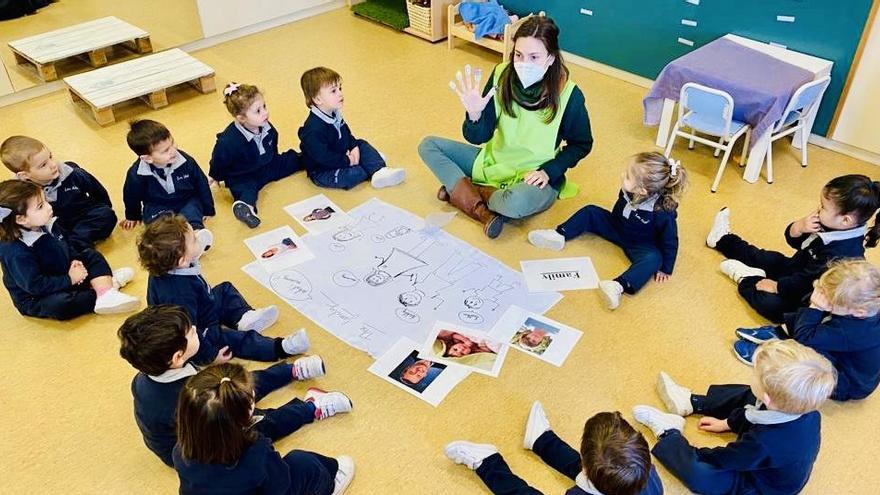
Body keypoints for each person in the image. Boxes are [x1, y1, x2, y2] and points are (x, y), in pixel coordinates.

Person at [418, 16, 593, 238]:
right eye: (518, 55)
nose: (524, 63)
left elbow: (582, 144)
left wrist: (550, 171)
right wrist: (475, 114)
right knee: (428, 145)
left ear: (550, 58)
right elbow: (478, 137)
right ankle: (480, 205)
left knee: (512, 205)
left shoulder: (570, 95)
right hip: (493, 162)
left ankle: (463, 192)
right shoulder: (501, 74)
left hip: (534, 176)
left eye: (534, 57)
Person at [117, 305, 332, 466]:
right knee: (262, 423)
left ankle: (289, 371)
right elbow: (229, 424)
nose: (194, 328)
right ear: (177, 357)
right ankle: (310, 408)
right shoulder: (188, 398)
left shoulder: (149, 374)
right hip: (201, 447)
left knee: (238, 381)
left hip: (194, 424)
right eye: (190, 332)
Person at [634, 340, 836, 495]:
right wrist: (727, 423)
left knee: (701, 474)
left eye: (754, 374)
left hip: (759, 486)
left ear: (768, 399)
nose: (752, 376)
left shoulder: (764, 443)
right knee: (748, 395)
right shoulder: (807, 411)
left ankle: (669, 432)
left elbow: (730, 458)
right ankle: (693, 402)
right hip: (767, 446)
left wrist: (700, 453)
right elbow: (754, 411)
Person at [706, 174, 879, 323]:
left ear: (846, 220)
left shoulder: (842, 255)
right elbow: (798, 244)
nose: (818, 210)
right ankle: (721, 239)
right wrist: (799, 227)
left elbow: (805, 282)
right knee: (767, 257)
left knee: (769, 304)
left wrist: (776, 287)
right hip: (793, 269)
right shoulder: (834, 225)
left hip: (802, 296)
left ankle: (747, 277)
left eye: (823, 208)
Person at [138, 214, 306, 365]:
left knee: (225, 289)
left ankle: (244, 318)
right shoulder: (179, 294)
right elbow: (187, 333)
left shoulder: (168, 267)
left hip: (203, 306)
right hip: (200, 329)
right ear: (181, 260)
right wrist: (210, 356)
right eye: (194, 240)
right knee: (234, 339)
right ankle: (280, 347)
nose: (198, 237)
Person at [530, 152, 686, 310]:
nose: (622, 175)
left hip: (640, 244)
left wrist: (666, 268)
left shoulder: (663, 213)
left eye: (627, 176)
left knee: (654, 258)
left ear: (643, 191)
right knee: (591, 211)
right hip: (616, 226)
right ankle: (559, 235)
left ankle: (618, 286)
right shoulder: (629, 190)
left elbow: (670, 240)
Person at [173, 362, 355, 494]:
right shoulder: (257, 452)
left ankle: (309, 409)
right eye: (252, 400)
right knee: (303, 463)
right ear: (242, 418)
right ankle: (330, 485)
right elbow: (282, 485)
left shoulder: (179, 451)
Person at [734, 259, 880, 401]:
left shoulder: (850, 332)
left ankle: (772, 359)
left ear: (859, 311)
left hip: (843, 383)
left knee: (812, 323)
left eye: (831, 301)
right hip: (850, 363)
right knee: (817, 316)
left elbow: (805, 338)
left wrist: (816, 307)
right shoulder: (869, 306)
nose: (824, 299)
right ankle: (781, 333)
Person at [445, 401, 663, 494]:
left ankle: (487, 463)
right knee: (606, 466)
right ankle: (542, 441)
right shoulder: (650, 475)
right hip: (610, 485)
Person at [0, 180, 138, 319]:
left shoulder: (46, 223)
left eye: (45, 201)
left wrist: (74, 259)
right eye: (40, 206)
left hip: (63, 272)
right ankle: (106, 287)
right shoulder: (16, 252)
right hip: (38, 296)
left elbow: (66, 244)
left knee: (90, 255)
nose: (49, 207)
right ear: (21, 219)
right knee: (62, 304)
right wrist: (69, 279)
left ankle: (104, 290)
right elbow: (35, 286)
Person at [209, 82, 303, 228]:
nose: (265, 113)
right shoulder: (228, 141)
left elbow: (273, 143)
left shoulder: (266, 126)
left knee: (294, 159)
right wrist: (216, 176)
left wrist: (276, 160)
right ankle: (245, 208)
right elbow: (219, 160)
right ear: (241, 118)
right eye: (258, 111)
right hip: (244, 175)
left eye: (264, 107)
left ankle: (314, 158)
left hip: (268, 165)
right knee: (247, 190)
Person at [1, 135, 116, 253]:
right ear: (24, 176)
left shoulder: (72, 173)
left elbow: (97, 190)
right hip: (56, 227)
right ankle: (76, 245)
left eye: (50, 157)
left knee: (106, 214)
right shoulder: (21, 194)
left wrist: (105, 207)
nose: (53, 165)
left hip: (84, 216)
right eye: (43, 165)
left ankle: (75, 245)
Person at [298, 66, 405, 190]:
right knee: (351, 176)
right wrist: (348, 161)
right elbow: (324, 157)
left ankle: (378, 169)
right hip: (323, 170)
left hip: (341, 154)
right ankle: (372, 164)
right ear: (317, 99)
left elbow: (346, 134)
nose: (340, 93)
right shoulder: (313, 129)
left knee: (361, 144)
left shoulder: (334, 113)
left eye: (340, 88)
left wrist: (353, 146)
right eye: (333, 91)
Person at [121, 120, 214, 254]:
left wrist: (208, 209)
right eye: (165, 150)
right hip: (157, 205)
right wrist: (132, 215)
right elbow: (131, 195)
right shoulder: (136, 174)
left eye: (172, 144)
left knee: (192, 212)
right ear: (147, 158)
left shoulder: (186, 161)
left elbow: (201, 183)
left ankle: (196, 237)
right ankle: (175, 247)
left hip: (186, 199)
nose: (173, 151)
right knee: (158, 226)